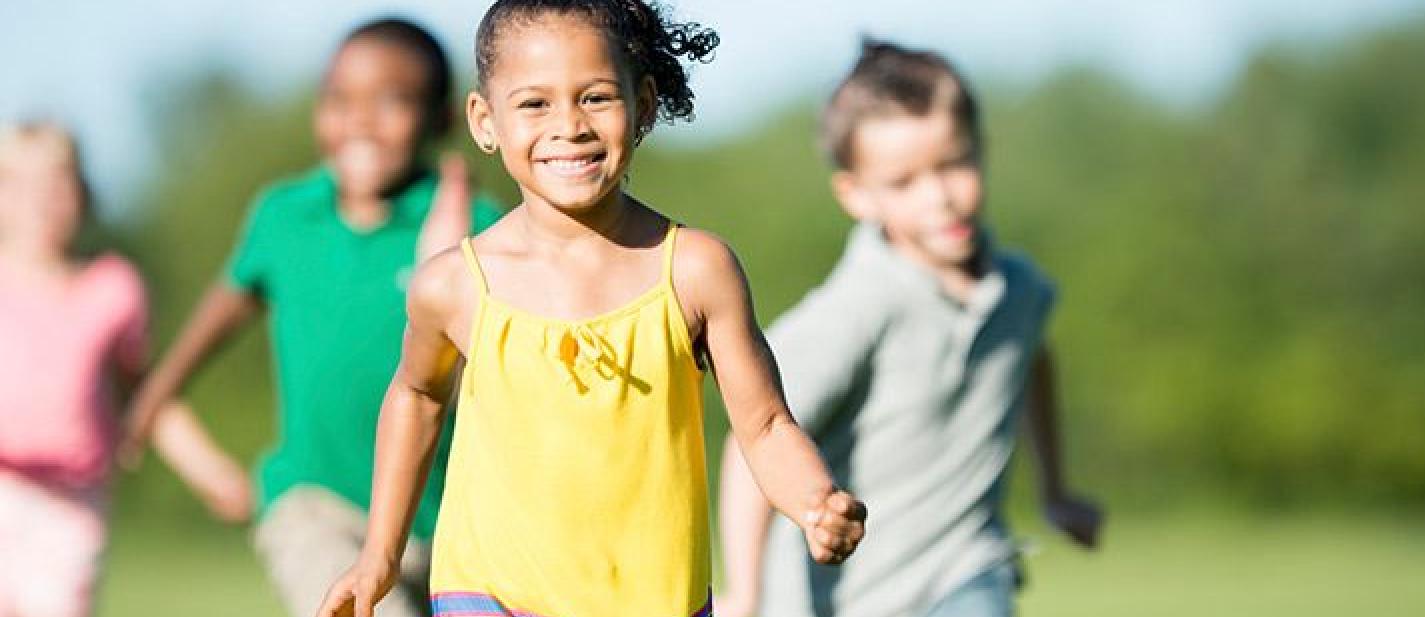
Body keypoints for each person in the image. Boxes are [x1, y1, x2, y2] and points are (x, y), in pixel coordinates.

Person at [315, 3, 867, 617]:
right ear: (484, 120)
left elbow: (765, 427)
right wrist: (379, 556)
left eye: (597, 98)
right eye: (534, 104)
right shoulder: (453, 285)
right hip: (488, 593)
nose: (569, 125)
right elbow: (416, 398)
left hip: (654, 599)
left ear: (645, 106)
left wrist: (815, 500)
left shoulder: (694, 270)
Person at [122, 18, 503, 617]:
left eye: (391, 102)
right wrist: (155, 395)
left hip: (448, 520)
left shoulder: (473, 219)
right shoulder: (284, 215)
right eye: (339, 100)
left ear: (441, 119)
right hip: (316, 502)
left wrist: (449, 256)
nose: (359, 121)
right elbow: (223, 310)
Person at [713, 39, 1105, 617]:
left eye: (954, 165)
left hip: (965, 570)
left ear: (981, 152)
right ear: (857, 195)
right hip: (838, 600)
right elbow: (753, 444)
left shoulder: (1021, 291)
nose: (940, 197)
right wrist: (745, 597)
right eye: (904, 182)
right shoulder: (855, 309)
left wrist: (1056, 490)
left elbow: (1032, 356)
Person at [0, 122, 249, 617]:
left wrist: (210, 470)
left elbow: (147, 393)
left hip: (71, 504)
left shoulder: (111, 290)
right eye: (21, 184)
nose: (41, 201)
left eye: (57, 183)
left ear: (83, 195)